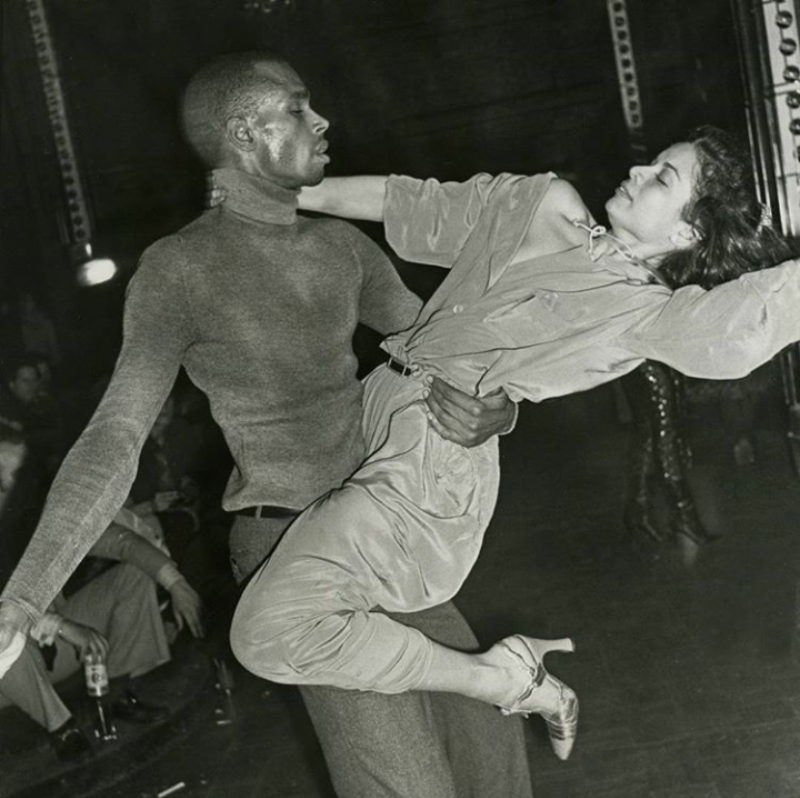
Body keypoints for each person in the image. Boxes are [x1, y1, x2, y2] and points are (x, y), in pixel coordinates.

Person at [0, 52, 532, 798]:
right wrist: (24, 597)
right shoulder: (179, 269)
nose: (323, 122)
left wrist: (498, 408)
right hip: (289, 551)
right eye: (299, 107)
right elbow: (116, 435)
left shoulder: (342, 247)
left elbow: (449, 351)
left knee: (492, 754)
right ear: (246, 132)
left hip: (382, 534)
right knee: (407, 785)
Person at [227, 126, 800, 761]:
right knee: (318, 604)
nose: (637, 171)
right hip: (369, 405)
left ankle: (502, 679)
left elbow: (748, 322)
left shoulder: (645, 314)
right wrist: (279, 188)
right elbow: (408, 202)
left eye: (663, 178)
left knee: (267, 633)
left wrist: (500, 415)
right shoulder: (544, 200)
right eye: (650, 162)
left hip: (431, 460)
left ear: (688, 234)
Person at [0, 516, 204, 762]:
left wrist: (176, 584)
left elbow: (121, 541)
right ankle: (62, 728)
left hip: (48, 645)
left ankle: (114, 695)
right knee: (6, 639)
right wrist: (62, 626)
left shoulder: (32, 507)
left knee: (133, 574)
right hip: (11, 673)